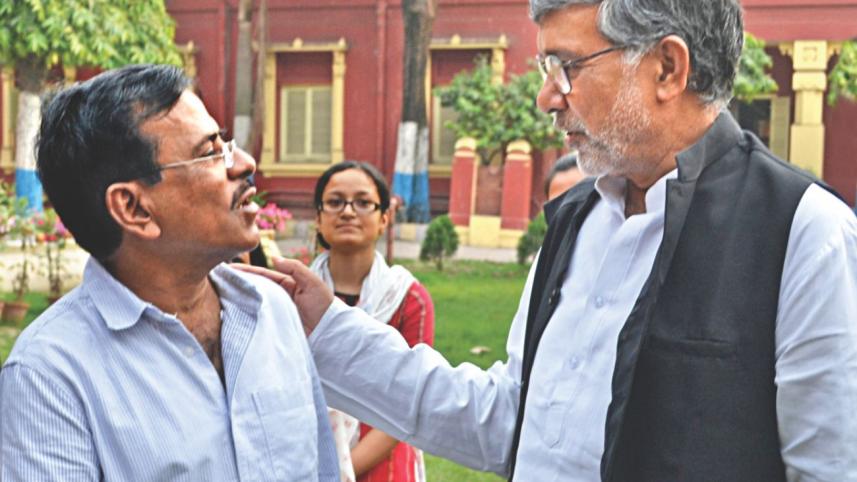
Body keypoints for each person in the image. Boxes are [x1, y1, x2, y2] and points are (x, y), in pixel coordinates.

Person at [239, 2, 857, 481]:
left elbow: (830, 467)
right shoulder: (574, 220)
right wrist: (326, 327)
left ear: (668, 68)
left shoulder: (802, 230)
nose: (546, 97)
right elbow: (514, 418)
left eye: (568, 67)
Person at [0, 65, 339, 481]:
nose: (245, 164)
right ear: (134, 208)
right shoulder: (50, 376)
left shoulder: (271, 311)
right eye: (210, 152)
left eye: (226, 143)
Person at [311, 161, 434, 482]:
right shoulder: (296, 294)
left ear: (383, 219)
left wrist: (341, 471)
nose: (348, 212)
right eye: (335, 202)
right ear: (318, 218)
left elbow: (410, 403)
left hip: (384, 454)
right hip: (309, 446)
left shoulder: (408, 298)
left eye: (363, 202)